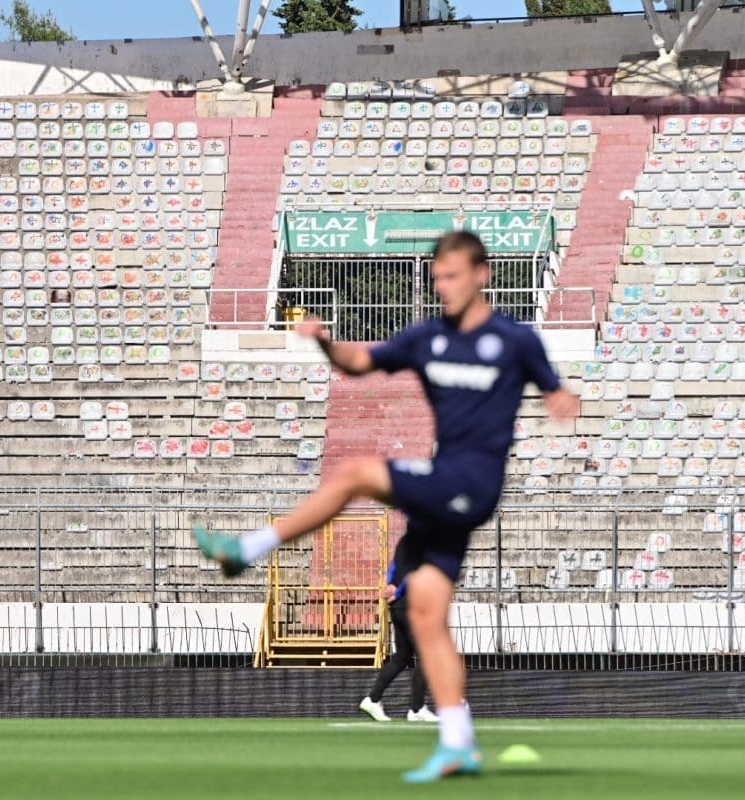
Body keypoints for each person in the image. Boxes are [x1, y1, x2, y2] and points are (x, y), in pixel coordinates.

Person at [193, 231, 578, 782]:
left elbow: (553, 388)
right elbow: (358, 362)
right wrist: (325, 341)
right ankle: (458, 743)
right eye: (437, 277)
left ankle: (246, 548)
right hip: (445, 489)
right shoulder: (426, 337)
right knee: (426, 616)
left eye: (452, 275)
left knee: (354, 473)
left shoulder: (515, 339)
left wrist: (563, 399)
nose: (442, 286)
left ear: (481, 275)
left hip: (472, 480)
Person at [358, 535, 437, 724]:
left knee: (402, 656)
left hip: (397, 606)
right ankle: (417, 708)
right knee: (428, 655)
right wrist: (398, 590)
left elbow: (394, 567)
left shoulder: (405, 541)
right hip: (410, 603)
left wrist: (390, 586)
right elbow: (413, 573)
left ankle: (373, 699)